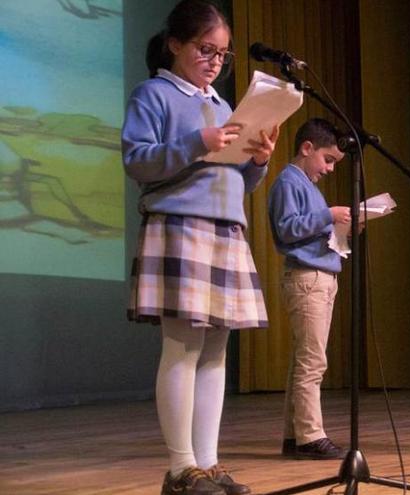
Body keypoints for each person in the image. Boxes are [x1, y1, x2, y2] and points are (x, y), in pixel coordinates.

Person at [122, 1, 279, 493]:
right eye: (205, 50)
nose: (214, 61)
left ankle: (208, 463)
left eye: (223, 55)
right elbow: (138, 161)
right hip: (180, 225)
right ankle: (180, 467)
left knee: (215, 353)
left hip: (226, 230)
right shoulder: (155, 93)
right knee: (183, 347)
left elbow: (241, 181)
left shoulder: (223, 104)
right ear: (175, 45)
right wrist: (198, 141)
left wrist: (257, 161)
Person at [267, 118, 349, 460]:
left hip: (321, 275)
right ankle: (310, 436)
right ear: (307, 148)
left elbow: (310, 229)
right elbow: (287, 229)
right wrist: (328, 215)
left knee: (307, 360)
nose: (329, 169)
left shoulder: (307, 185)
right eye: (327, 160)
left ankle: (294, 435)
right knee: (313, 361)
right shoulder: (289, 181)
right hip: (307, 277)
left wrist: (339, 230)